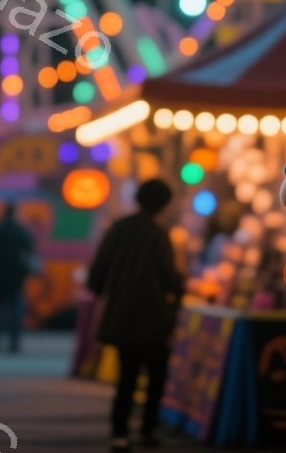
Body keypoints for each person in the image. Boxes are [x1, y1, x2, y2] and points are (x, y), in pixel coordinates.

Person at [88, 179, 184, 451]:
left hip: (122, 317)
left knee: (126, 377)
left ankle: (119, 432)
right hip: (154, 318)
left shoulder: (118, 228)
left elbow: (97, 275)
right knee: (155, 377)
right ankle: (147, 430)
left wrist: (108, 293)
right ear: (164, 204)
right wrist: (181, 288)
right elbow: (169, 277)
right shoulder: (158, 233)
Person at [0, 200, 35, 353]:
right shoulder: (21, 231)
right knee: (16, 309)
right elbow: (28, 254)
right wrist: (25, 273)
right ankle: (14, 342)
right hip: (16, 278)